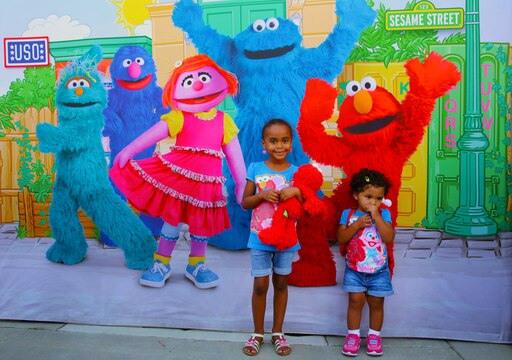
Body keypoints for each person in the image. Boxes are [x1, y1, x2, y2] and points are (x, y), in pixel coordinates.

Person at [109, 54, 246, 289]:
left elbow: (236, 156)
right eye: (189, 80)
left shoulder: (224, 120)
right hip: (178, 182)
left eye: (203, 78)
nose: (199, 85)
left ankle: (197, 265)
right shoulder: (179, 117)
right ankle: (161, 263)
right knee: (171, 223)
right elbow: (152, 134)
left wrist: (242, 184)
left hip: (207, 187)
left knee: (201, 226)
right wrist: (127, 152)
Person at [241, 119, 302, 356]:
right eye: (273, 141)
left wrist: (296, 190)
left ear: (291, 143)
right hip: (259, 239)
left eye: (284, 140)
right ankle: (257, 333)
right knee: (260, 285)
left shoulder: (296, 173)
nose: (279, 145)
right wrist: (261, 196)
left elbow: (308, 204)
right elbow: (245, 202)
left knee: (281, 283)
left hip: (286, 240)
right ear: (264, 143)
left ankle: (278, 332)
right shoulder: (255, 168)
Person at [336, 168, 394, 357]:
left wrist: (377, 217)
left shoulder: (384, 214)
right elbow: (341, 238)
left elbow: (388, 237)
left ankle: (374, 337)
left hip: (379, 270)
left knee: (377, 303)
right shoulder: (349, 213)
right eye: (368, 196)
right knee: (355, 301)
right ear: (356, 195)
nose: (373, 202)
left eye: (378, 198)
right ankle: (352, 336)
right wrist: (356, 225)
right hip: (354, 270)